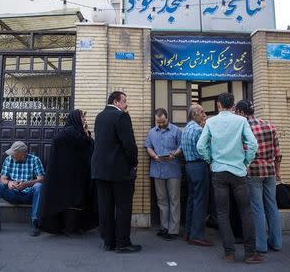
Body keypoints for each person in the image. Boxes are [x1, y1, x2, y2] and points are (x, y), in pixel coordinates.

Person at [196, 92, 265, 264]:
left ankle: (229, 253)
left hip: (219, 172)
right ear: (233, 105)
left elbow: (200, 146)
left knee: (222, 213)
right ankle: (250, 253)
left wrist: (210, 159)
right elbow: (253, 144)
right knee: (246, 212)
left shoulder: (211, 122)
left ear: (218, 105)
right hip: (238, 172)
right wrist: (246, 161)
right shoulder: (241, 121)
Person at [91, 91, 141, 253]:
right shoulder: (121, 116)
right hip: (119, 171)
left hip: (100, 170)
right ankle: (122, 243)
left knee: (105, 207)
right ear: (116, 102)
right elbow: (129, 144)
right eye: (124, 101)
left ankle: (108, 242)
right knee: (123, 207)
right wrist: (134, 163)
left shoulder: (99, 116)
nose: (127, 105)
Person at [235, 99, 283, 253]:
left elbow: (243, 151)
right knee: (272, 206)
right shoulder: (269, 125)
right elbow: (278, 153)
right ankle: (277, 243)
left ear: (242, 112)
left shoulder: (244, 128)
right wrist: (278, 171)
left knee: (257, 207)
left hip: (254, 170)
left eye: (237, 111)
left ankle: (261, 245)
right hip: (270, 170)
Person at [40, 109, 98, 234]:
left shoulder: (76, 133)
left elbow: (88, 147)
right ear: (76, 118)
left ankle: (71, 228)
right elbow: (87, 146)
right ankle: (70, 228)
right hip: (71, 175)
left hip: (73, 175)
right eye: (82, 117)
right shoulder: (69, 134)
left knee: (73, 200)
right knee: (73, 199)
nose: (84, 120)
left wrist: (86, 134)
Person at [0, 141, 45, 237]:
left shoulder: (34, 160)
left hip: (28, 194)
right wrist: (9, 183)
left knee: (39, 186)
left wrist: (26, 184)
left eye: (14, 154)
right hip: (12, 193)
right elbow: (2, 178)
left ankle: (35, 223)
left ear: (22, 153)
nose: (12, 155)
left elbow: (41, 179)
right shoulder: (8, 159)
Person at [144, 108, 182, 241]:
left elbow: (181, 147)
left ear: (167, 118)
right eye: (158, 122)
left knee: (174, 200)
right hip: (157, 169)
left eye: (162, 121)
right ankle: (164, 227)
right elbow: (148, 146)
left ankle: (173, 230)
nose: (160, 124)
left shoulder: (176, 130)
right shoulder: (151, 132)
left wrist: (174, 154)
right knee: (161, 200)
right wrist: (154, 156)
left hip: (173, 170)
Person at [180, 104, 213, 247]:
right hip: (199, 166)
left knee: (192, 199)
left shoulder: (186, 128)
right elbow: (206, 148)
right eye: (202, 112)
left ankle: (188, 232)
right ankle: (197, 235)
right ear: (194, 115)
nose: (204, 114)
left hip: (189, 166)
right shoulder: (199, 130)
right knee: (200, 200)